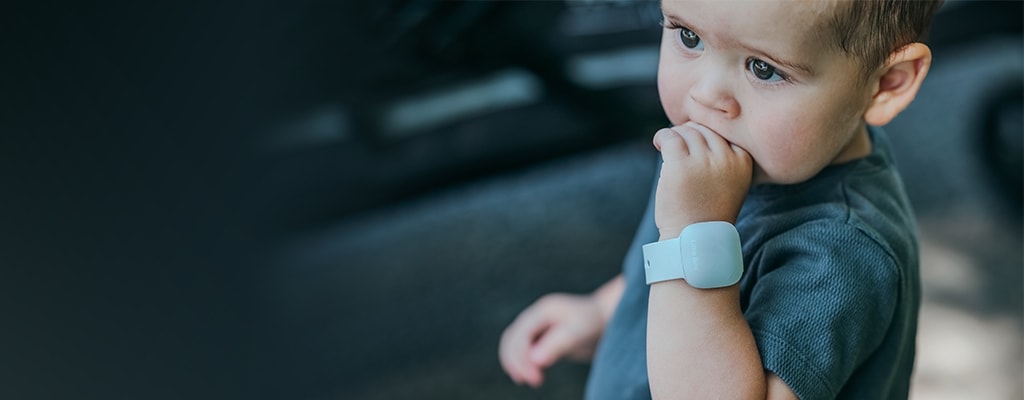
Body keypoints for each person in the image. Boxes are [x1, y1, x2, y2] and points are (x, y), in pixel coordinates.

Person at [498, 0, 944, 398]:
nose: (706, 94)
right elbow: (661, 265)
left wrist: (695, 233)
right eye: (689, 37)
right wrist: (604, 311)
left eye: (763, 69)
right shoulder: (727, 155)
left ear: (886, 84)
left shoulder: (842, 255)